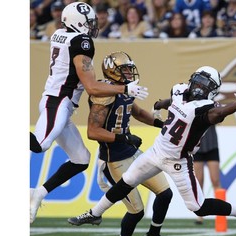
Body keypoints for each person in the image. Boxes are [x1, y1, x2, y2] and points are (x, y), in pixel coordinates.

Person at [68, 66, 236, 236]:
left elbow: (220, 113)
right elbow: (174, 101)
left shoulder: (206, 109)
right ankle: (95, 213)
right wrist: (159, 104)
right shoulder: (180, 90)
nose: (198, 86)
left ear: (211, 91)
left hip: (178, 162)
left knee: (197, 207)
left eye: (204, 84)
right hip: (156, 151)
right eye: (198, 80)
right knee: (127, 181)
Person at [30, 1, 149, 224]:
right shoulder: (81, 41)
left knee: (81, 159)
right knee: (40, 145)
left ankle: (39, 193)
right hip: (58, 102)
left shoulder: (60, 33)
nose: (93, 26)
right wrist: (125, 88)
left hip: (62, 103)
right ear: (78, 22)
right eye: (89, 22)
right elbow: (92, 86)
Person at [68, 51, 173, 236]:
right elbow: (93, 131)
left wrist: (160, 124)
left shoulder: (124, 91)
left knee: (165, 193)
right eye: (124, 69)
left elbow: (137, 112)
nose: (129, 73)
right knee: (137, 210)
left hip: (132, 152)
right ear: (112, 71)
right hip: (114, 159)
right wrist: (123, 136)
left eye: (129, 68)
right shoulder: (103, 94)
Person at [193, 124, 223, 225]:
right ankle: (200, 215)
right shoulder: (192, 108)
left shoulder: (211, 107)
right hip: (196, 147)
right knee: (199, 181)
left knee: (215, 180)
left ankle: (221, 213)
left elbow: (219, 118)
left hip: (211, 145)